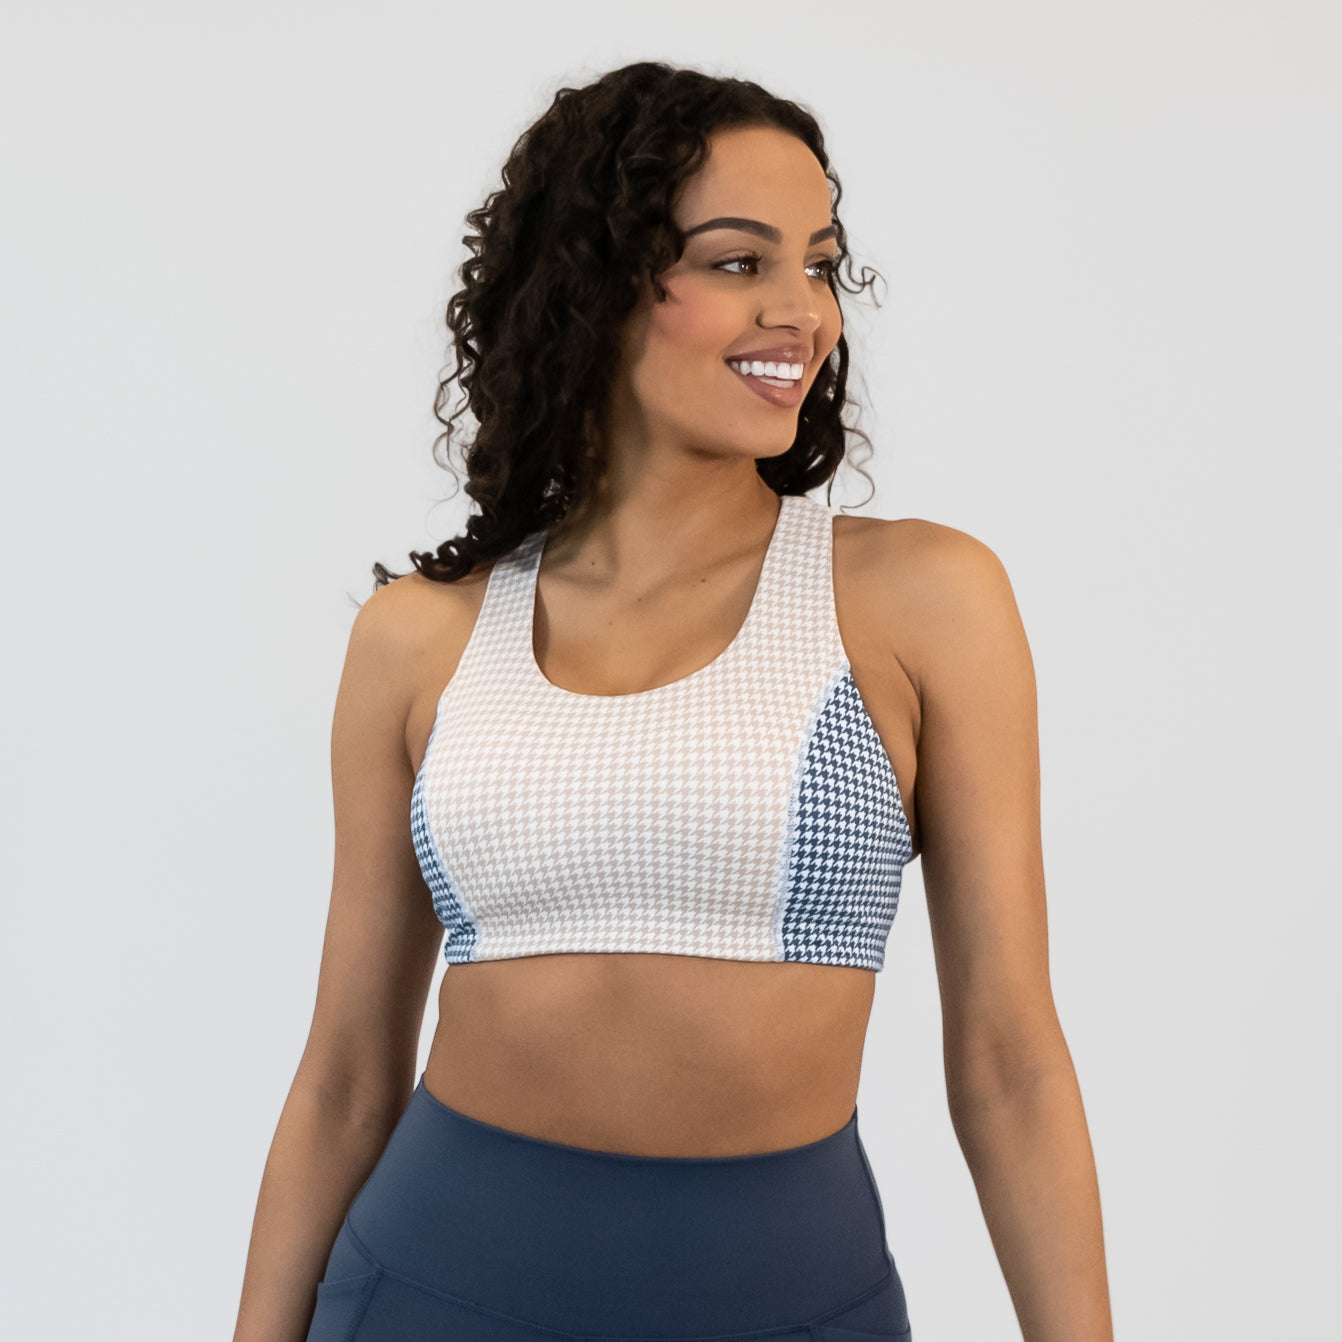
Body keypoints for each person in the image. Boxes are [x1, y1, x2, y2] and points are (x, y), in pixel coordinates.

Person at [232, 61, 1113, 1342]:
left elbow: (1010, 1063)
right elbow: (345, 1076)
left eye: (819, 265)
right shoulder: (421, 636)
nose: (801, 312)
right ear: (590, 283)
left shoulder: (922, 600)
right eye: (738, 261)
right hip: (431, 1292)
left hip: (792, 1303)